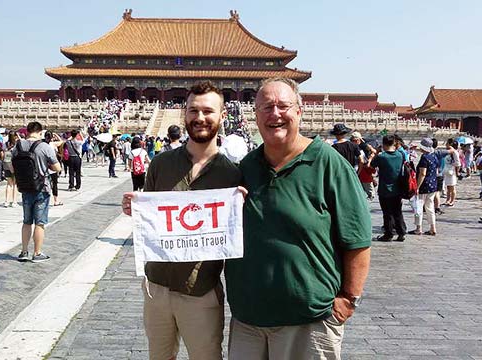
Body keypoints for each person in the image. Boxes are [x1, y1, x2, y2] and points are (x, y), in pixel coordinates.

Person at [225, 78, 371, 359]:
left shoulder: (328, 163)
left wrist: (348, 299)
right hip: (248, 320)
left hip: (308, 320)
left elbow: (358, 240)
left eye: (283, 106)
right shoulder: (247, 167)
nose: (275, 114)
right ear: (255, 115)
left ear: (299, 111)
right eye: (266, 107)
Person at [121, 81, 241, 360]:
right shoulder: (162, 164)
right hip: (156, 287)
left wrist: (241, 205)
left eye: (208, 111)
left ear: (223, 116)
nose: (200, 118)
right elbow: (151, 217)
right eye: (193, 110)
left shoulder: (233, 176)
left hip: (200, 291)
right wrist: (134, 208)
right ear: (184, 115)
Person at [11, 121, 61, 263]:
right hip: (42, 188)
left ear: (27, 131)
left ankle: (24, 251)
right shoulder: (44, 146)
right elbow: (57, 168)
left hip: (25, 187)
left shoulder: (18, 146)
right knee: (39, 223)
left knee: (27, 221)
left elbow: (12, 166)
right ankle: (37, 253)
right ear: (40, 132)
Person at [371, 135, 407, 241]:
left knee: (387, 213)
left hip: (385, 189)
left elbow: (372, 165)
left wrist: (376, 152)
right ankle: (401, 232)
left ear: (384, 144)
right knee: (398, 211)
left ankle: (389, 233)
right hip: (398, 188)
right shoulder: (400, 155)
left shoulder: (382, 156)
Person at [408, 138, 440, 236]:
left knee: (418, 207)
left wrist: (417, 186)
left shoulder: (424, 158)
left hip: (424, 185)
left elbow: (422, 173)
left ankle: (418, 228)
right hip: (433, 185)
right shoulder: (434, 156)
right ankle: (433, 228)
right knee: (430, 207)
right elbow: (437, 170)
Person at [442, 139, 461, 207]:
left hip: (452, 171)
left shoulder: (455, 153)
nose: (446, 144)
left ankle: (452, 200)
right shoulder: (448, 152)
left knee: (452, 187)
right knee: (448, 187)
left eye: (447, 143)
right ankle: (447, 200)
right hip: (446, 170)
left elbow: (458, 163)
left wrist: (457, 172)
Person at [3, 132, 19, 208]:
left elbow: (5, 157)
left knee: (9, 184)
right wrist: (12, 168)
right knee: (15, 184)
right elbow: (8, 157)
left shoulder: (6, 144)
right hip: (14, 166)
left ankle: (6, 201)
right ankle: (14, 201)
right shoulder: (15, 146)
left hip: (6, 166)